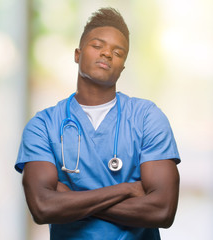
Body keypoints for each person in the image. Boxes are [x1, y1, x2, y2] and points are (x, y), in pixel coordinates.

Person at [14, 7, 181, 240]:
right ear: (77, 54)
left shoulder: (147, 117)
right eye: (97, 45)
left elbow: (162, 210)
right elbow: (43, 208)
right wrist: (127, 189)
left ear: (122, 67)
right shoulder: (43, 125)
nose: (107, 54)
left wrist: (71, 199)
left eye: (118, 52)